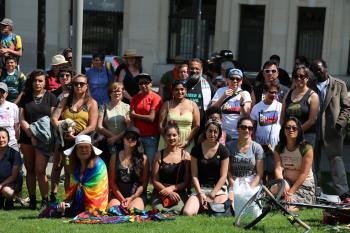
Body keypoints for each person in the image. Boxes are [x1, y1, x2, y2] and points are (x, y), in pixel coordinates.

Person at [51, 74, 98, 199]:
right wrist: (61, 130)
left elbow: (93, 126)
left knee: (83, 172)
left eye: (81, 84)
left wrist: (77, 137)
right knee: (68, 172)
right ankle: (69, 199)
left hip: (83, 142)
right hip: (65, 141)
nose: (78, 86)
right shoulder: (65, 100)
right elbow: (54, 118)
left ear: (86, 86)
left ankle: (84, 198)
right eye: (76, 84)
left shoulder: (92, 102)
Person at [310, 59, 350, 199]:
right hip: (313, 130)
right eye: (314, 70)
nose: (317, 72)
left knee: (336, 161)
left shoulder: (339, 85)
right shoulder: (310, 85)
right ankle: (314, 192)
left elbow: (346, 107)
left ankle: (344, 193)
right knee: (313, 163)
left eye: (319, 69)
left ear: (326, 68)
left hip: (332, 130)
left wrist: (340, 124)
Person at [18, 70, 58, 209]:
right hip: (27, 136)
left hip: (44, 138)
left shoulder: (51, 97)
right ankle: (33, 200)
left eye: (40, 80)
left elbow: (53, 118)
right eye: (35, 80)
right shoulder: (26, 97)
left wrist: (38, 136)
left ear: (45, 82)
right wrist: (31, 134)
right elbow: (21, 118)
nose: (37, 83)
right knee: (30, 170)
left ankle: (45, 200)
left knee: (40, 170)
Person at [182, 120, 229, 216]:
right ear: (205, 132)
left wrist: (213, 193)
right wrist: (200, 193)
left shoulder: (223, 150)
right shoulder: (196, 150)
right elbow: (194, 175)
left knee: (218, 213)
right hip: (200, 189)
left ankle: (206, 205)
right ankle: (202, 204)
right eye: (210, 131)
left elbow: (223, 176)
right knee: (187, 212)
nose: (212, 134)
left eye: (215, 132)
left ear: (219, 133)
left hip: (218, 190)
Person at [56, 135, 108, 217]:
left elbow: (97, 192)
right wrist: (65, 202)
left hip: (95, 206)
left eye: (86, 147)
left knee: (86, 214)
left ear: (91, 149)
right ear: (75, 151)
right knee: (53, 209)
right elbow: (73, 189)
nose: (84, 150)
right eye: (80, 147)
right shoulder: (75, 166)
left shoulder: (99, 165)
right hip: (78, 204)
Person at [274, 117, 315, 207]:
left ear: (299, 130)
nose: (291, 130)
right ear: (283, 130)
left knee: (288, 206)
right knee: (273, 190)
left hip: (303, 184)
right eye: (287, 127)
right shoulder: (279, 148)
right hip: (287, 181)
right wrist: (282, 185)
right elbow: (278, 168)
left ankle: (293, 204)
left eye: (294, 128)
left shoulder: (306, 148)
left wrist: (290, 192)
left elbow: (304, 173)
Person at [151, 123, 190, 213]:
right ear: (164, 137)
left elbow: (186, 181)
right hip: (161, 192)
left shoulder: (186, 155)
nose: (171, 138)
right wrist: (167, 191)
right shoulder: (158, 155)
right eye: (168, 135)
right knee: (159, 210)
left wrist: (172, 189)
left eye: (174, 135)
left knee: (177, 210)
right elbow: (154, 180)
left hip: (179, 192)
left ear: (179, 136)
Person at [107, 127, 148, 210]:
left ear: (137, 141)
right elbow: (112, 182)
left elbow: (144, 183)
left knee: (134, 211)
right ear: (123, 139)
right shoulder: (114, 157)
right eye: (127, 137)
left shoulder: (143, 158)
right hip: (118, 195)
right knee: (114, 211)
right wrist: (122, 199)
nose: (130, 139)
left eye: (133, 138)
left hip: (136, 195)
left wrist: (132, 198)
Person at [227, 117, 264, 203]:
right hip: (235, 181)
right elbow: (227, 171)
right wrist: (233, 184)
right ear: (238, 128)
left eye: (250, 128)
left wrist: (250, 188)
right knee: (234, 201)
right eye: (243, 127)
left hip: (252, 180)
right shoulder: (229, 146)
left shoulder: (257, 148)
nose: (247, 130)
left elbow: (259, 173)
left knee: (250, 200)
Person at [281, 65, 319, 147]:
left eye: (302, 76)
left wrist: (297, 131)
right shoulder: (288, 93)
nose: (298, 79)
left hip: (306, 137)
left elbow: (312, 120)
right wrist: (286, 132)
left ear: (307, 78)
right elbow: (282, 117)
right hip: (288, 136)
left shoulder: (313, 96)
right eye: (295, 76)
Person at [250, 83, 282, 180]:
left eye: (275, 92)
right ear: (264, 92)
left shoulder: (280, 106)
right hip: (261, 145)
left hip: (275, 145)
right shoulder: (257, 107)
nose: (273, 95)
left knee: (274, 169)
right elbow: (252, 126)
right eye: (271, 92)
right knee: (261, 170)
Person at [158, 80, 200, 152]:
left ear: (186, 90)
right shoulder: (166, 104)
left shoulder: (193, 105)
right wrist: (167, 139)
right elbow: (161, 125)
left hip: (186, 140)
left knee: (186, 162)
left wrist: (187, 141)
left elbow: (197, 125)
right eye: (176, 90)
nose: (179, 92)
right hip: (168, 139)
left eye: (182, 89)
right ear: (172, 91)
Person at [211, 68, 251, 140]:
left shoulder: (245, 94)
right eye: (232, 78)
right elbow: (212, 110)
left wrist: (242, 104)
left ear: (241, 81)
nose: (235, 81)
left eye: (237, 79)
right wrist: (223, 97)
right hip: (222, 134)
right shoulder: (220, 91)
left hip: (238, 134)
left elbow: (247, 116)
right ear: (227, 80)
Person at [130, 73, 162, 163]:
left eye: (146, 83)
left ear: (151, 83)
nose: (143, 85)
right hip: (137, 136)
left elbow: (151, 118)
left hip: (151, 137)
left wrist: (135, 115)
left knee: (151, 163)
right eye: (140, 83)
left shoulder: (156, 98)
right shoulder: (135, 98)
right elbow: (131, 117)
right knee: (137, 163)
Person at [97, 82, 130, 167]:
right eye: (114, 91)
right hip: (107, 142)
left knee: (120, 167)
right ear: (109, 93)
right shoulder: (103, 107)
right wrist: (112, 137)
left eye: (119, 91)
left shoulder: (127, 107)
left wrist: (117, 138)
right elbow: (99, 126)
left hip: (122, 142)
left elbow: (129, 127)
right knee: (105, 166)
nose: (117, 93)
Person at [0, 127, 23, 210]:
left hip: (11, 183)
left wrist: (1, 185)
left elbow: (13, 176)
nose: (1, 140)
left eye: (3, 137)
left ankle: (11, 199)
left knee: (6, 191)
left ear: (8, 139)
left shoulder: (15, 154)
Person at [186, 58, 214, 122]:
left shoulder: (209, 87)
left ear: (201, 70)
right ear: (188, 69)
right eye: (192, 68)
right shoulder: (181, 85)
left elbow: (213, 106)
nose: (194, 71)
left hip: (202, 124)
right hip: (184, 123)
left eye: (197, 69)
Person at [0, 82, 19, 150]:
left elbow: (17, 125)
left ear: (7, 94)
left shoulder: (13, 107)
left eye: (2, 92)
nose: (0, 94)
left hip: (11, 143)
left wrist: (17, 140)